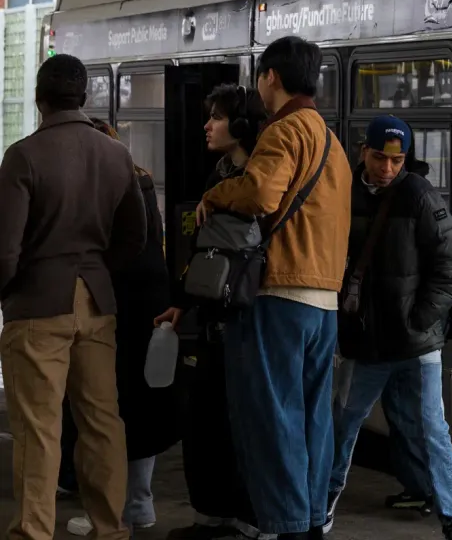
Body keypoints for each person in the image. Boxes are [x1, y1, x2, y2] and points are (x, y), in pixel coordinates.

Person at [199, 36, 352, 540]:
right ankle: (311, 521)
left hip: (281, 294)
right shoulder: (332, 142)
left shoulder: (283, 131)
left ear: (272, 77)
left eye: (261, 78)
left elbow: (262, 193)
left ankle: (286, 526)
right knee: (313, 419)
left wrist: (217, 195)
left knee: (272, 417)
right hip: (324, 301)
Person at [0, 53, 147, 540]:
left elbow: (5, 249)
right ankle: (111, 528)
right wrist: (99, 274)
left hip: (38, 303)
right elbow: (135, 236)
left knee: (39, 428)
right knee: (102, 421)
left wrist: (9, 291)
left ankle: (33, 532)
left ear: (39, 99)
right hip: (97, 303)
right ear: (84, 97)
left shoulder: (23, 156)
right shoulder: (116, 155)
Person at [326, 115, 452, 540]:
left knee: (433, 428)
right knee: (343, 424)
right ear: (363, 152)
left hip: (416, 345)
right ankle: (322, 507)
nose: (387, 168)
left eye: (397, 160)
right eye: (379, 158)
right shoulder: (344, 193)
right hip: (366, 343)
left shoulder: (418, 195)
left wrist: (421, 318)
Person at [157, 84, 271, 540]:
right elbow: (205, 249)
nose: (207, 126)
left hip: (249, 314)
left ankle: (248, 519)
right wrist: (182, 302)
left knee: (242, 420)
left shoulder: (260, 183)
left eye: (217, 117)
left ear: (240, 125)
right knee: (204, 417)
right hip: (210, 315)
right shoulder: (218, 176)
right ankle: (211, 515)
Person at [62, 118, 182, 536]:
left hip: (117, 304)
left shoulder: (102, 185)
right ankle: (138, 504)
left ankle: (113, 511)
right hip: (151, 301)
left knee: (105, 408)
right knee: (141, 404)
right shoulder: (140, 178)